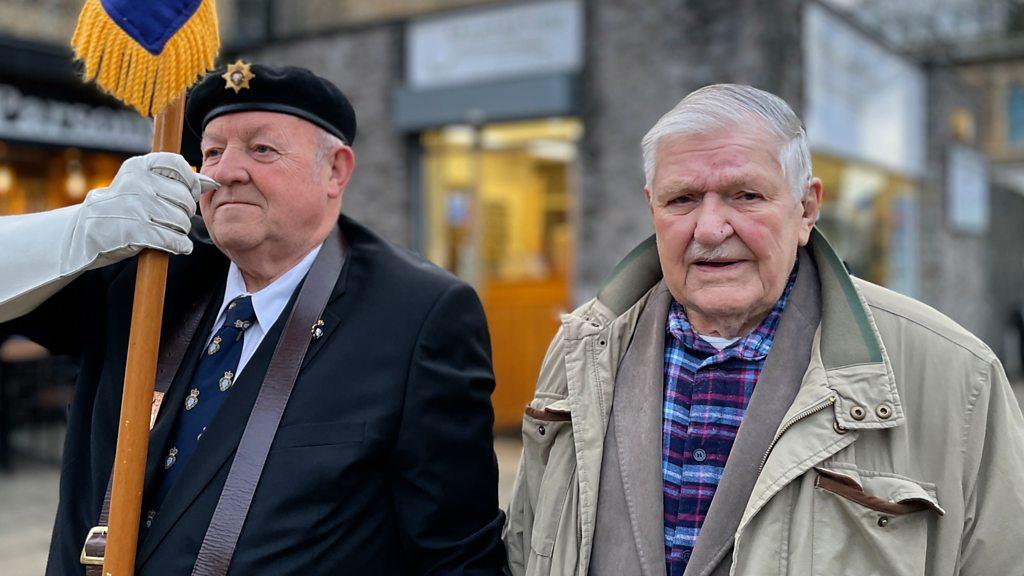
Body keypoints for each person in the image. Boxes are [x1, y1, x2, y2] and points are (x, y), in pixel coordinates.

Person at [2, 62, 506, 575]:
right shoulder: (147, 272)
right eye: (213, 152)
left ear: (335, 170)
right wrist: (81, 231)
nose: (224, 172)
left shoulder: (416, 313)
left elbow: (457, 555)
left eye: (262, 150)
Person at [503, 84, 1024, 576]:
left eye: (745, 195)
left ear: (807, 209)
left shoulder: (958, 378)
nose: (709, 228)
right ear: (652, 209)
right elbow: (529, 545)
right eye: (681, 199)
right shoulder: (581, 350)